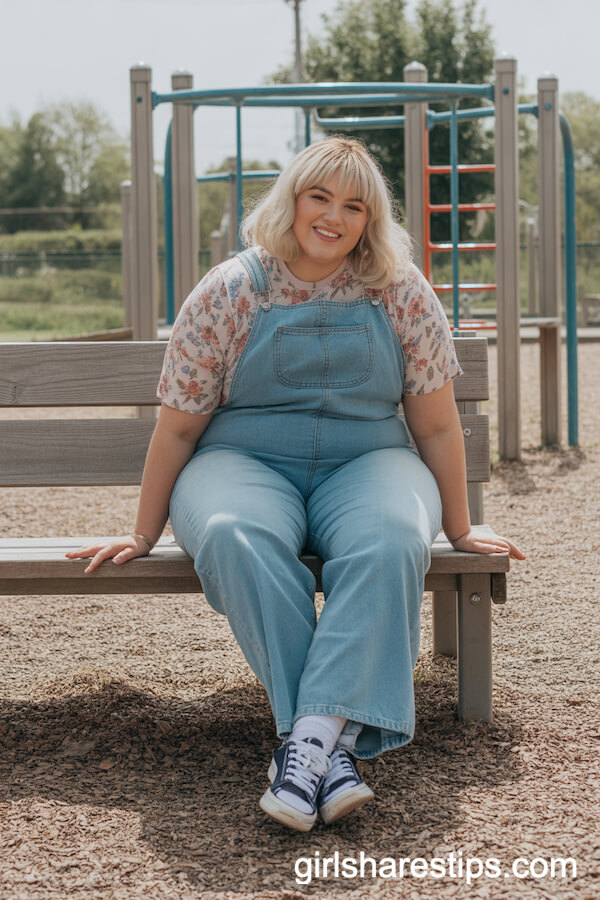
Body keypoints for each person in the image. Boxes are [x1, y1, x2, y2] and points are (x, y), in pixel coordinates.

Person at [66, 137, 524, 833]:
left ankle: (305, 745)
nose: (334, 218)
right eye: (320, 197)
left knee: (394, 536)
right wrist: (141, 531)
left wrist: (459, 528)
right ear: (292, 200)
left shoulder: (400, 289)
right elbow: (180, 430)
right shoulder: (230, 290)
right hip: (241, 460)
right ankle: (329, 745)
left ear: (371, 219)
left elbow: (433, 428)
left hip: (367, 459)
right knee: (231, 534)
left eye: (353, 205)